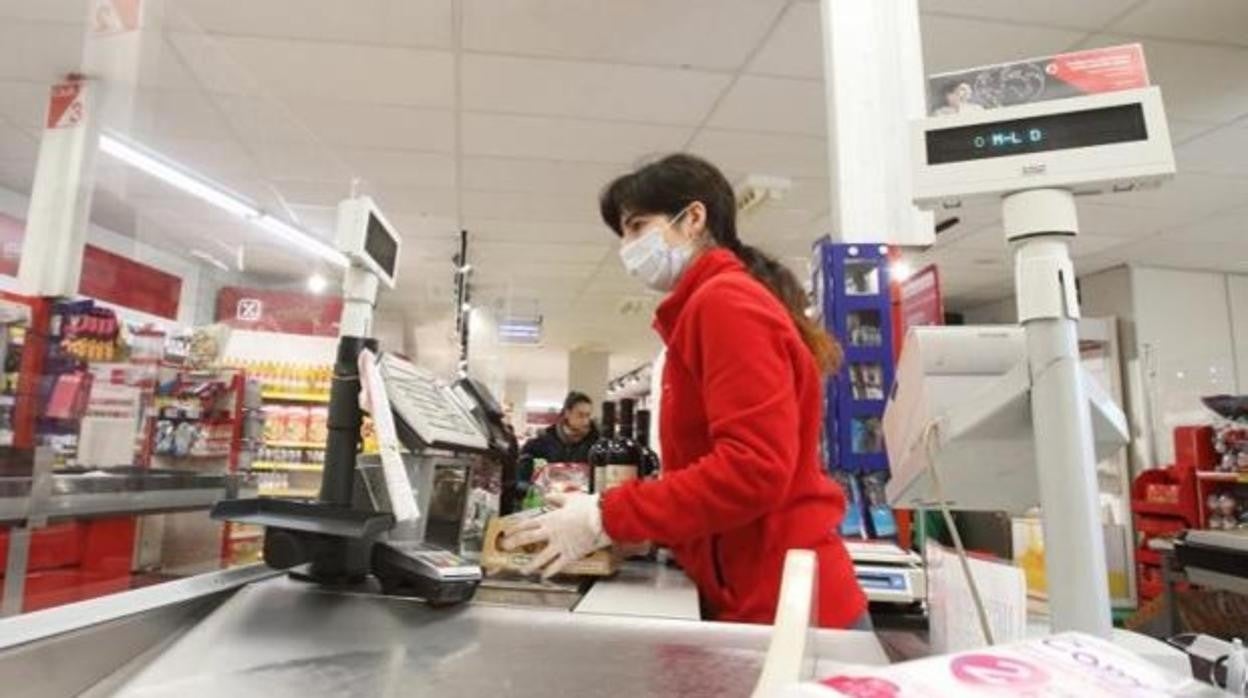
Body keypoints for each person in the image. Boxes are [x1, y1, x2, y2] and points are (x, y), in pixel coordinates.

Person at [504, 153, 869, 630]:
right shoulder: (707, 308)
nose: (628, 247)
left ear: (693, 218)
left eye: (637, 226)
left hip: (787, 608)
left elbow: (752, 469)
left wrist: (606, 515)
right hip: (761, 596)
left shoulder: (725, 304)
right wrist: (648, 530)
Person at [515, 391, 598, 497]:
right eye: (580, 415)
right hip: (551, 500)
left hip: (583, 501)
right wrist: (525, 484)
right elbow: (525, 461)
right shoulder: (544, 440)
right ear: (568, 413)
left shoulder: (596, 443)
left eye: (588, 415)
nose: (586, 421)